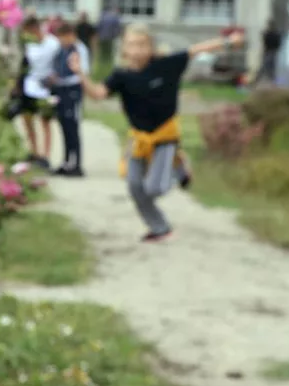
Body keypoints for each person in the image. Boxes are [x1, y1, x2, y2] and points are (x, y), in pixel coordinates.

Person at [77, 25, 246, 242]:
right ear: (124, 50)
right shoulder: (121, 76)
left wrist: (228, 42)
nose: (137, 50)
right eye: (131, 45)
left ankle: (180, 166)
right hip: (139, 138)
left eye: (142, 45)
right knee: (134, 186)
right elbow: (98, 94)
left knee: (154, 188)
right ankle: (160, 228)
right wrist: (81, 75)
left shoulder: (167, 65)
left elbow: (196, 50)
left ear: (151, 47)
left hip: (165, 136)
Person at [13, 16, 60, 167]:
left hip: (45, 87)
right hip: (29, 85)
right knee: (27, 119)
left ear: (35, 29)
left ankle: (45, 155)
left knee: (45, 121)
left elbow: (59, 63)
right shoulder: (29, 45)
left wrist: (54, 77)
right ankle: (34, 151)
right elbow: (25, 64)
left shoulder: (53, 44)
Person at [52, 23, 91, 176]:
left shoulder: (79, 49)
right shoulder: (62, 49)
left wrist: (65, 80)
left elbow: (83, 72)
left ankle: (77, 163)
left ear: (70, 35)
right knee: (64, 127)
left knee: (73, 127)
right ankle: (67, 161)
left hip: (73, 89)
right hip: (61, 89)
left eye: (62, 38)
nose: (61, 41)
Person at [258, 20, 283, 84]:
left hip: (270, 51)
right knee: (268, 67)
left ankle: (270, 80)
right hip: (270, 51)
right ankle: (269, 80)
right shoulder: (274, 33)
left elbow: (277, 43)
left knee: (268, 67)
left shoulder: (271, 33)